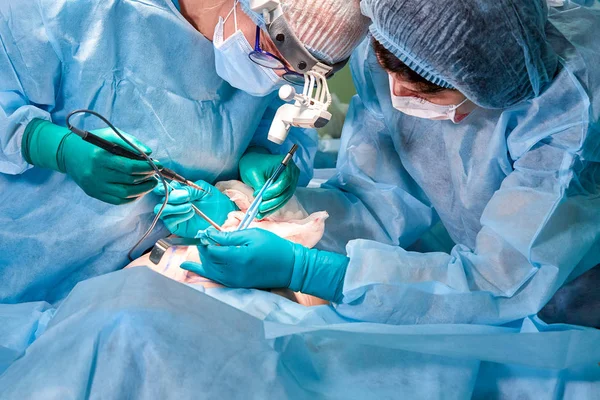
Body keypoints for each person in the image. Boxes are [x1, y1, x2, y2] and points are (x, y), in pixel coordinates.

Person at [177, 1, 600, 326]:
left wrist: (316, 272)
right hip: (460, 299)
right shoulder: (395, 46)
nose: (399, 95)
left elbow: (502, 282)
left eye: (430, 95)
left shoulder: (567, 113)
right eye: (387, 70)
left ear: (486, 87)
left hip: (572, 312)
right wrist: (284, 212)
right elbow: (377, 203)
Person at [0, 0, 369, 303]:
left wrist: (256, 156)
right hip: (28, 267)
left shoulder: (271, 53)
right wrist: (47, 144)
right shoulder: (66, 11)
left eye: (296, 73)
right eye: (275, 52)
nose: (278, 76)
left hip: (140, 288)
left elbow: (280, 135)